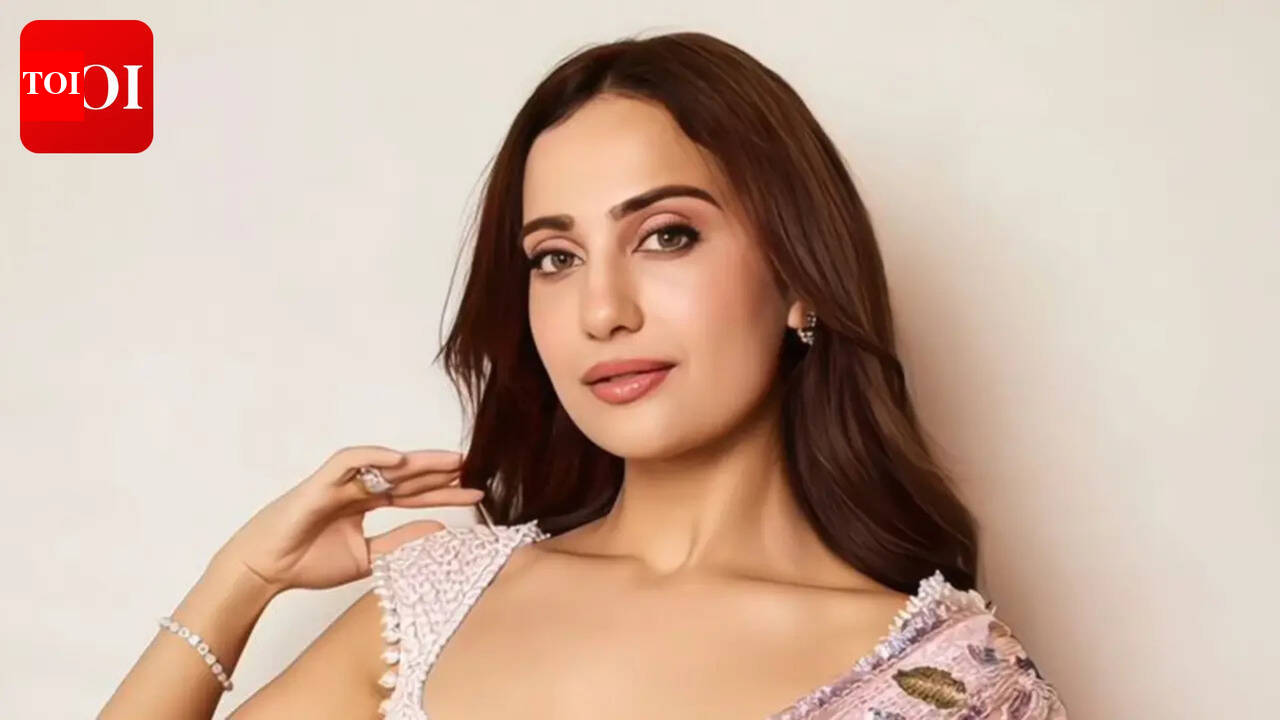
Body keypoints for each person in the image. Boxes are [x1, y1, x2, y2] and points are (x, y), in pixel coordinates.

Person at [100, 31, 1068, 720]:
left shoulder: (956, 682)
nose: (601, 311)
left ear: (798, 278)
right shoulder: (440, 601)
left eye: (666, 236)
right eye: (555, 258)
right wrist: (241, 581)